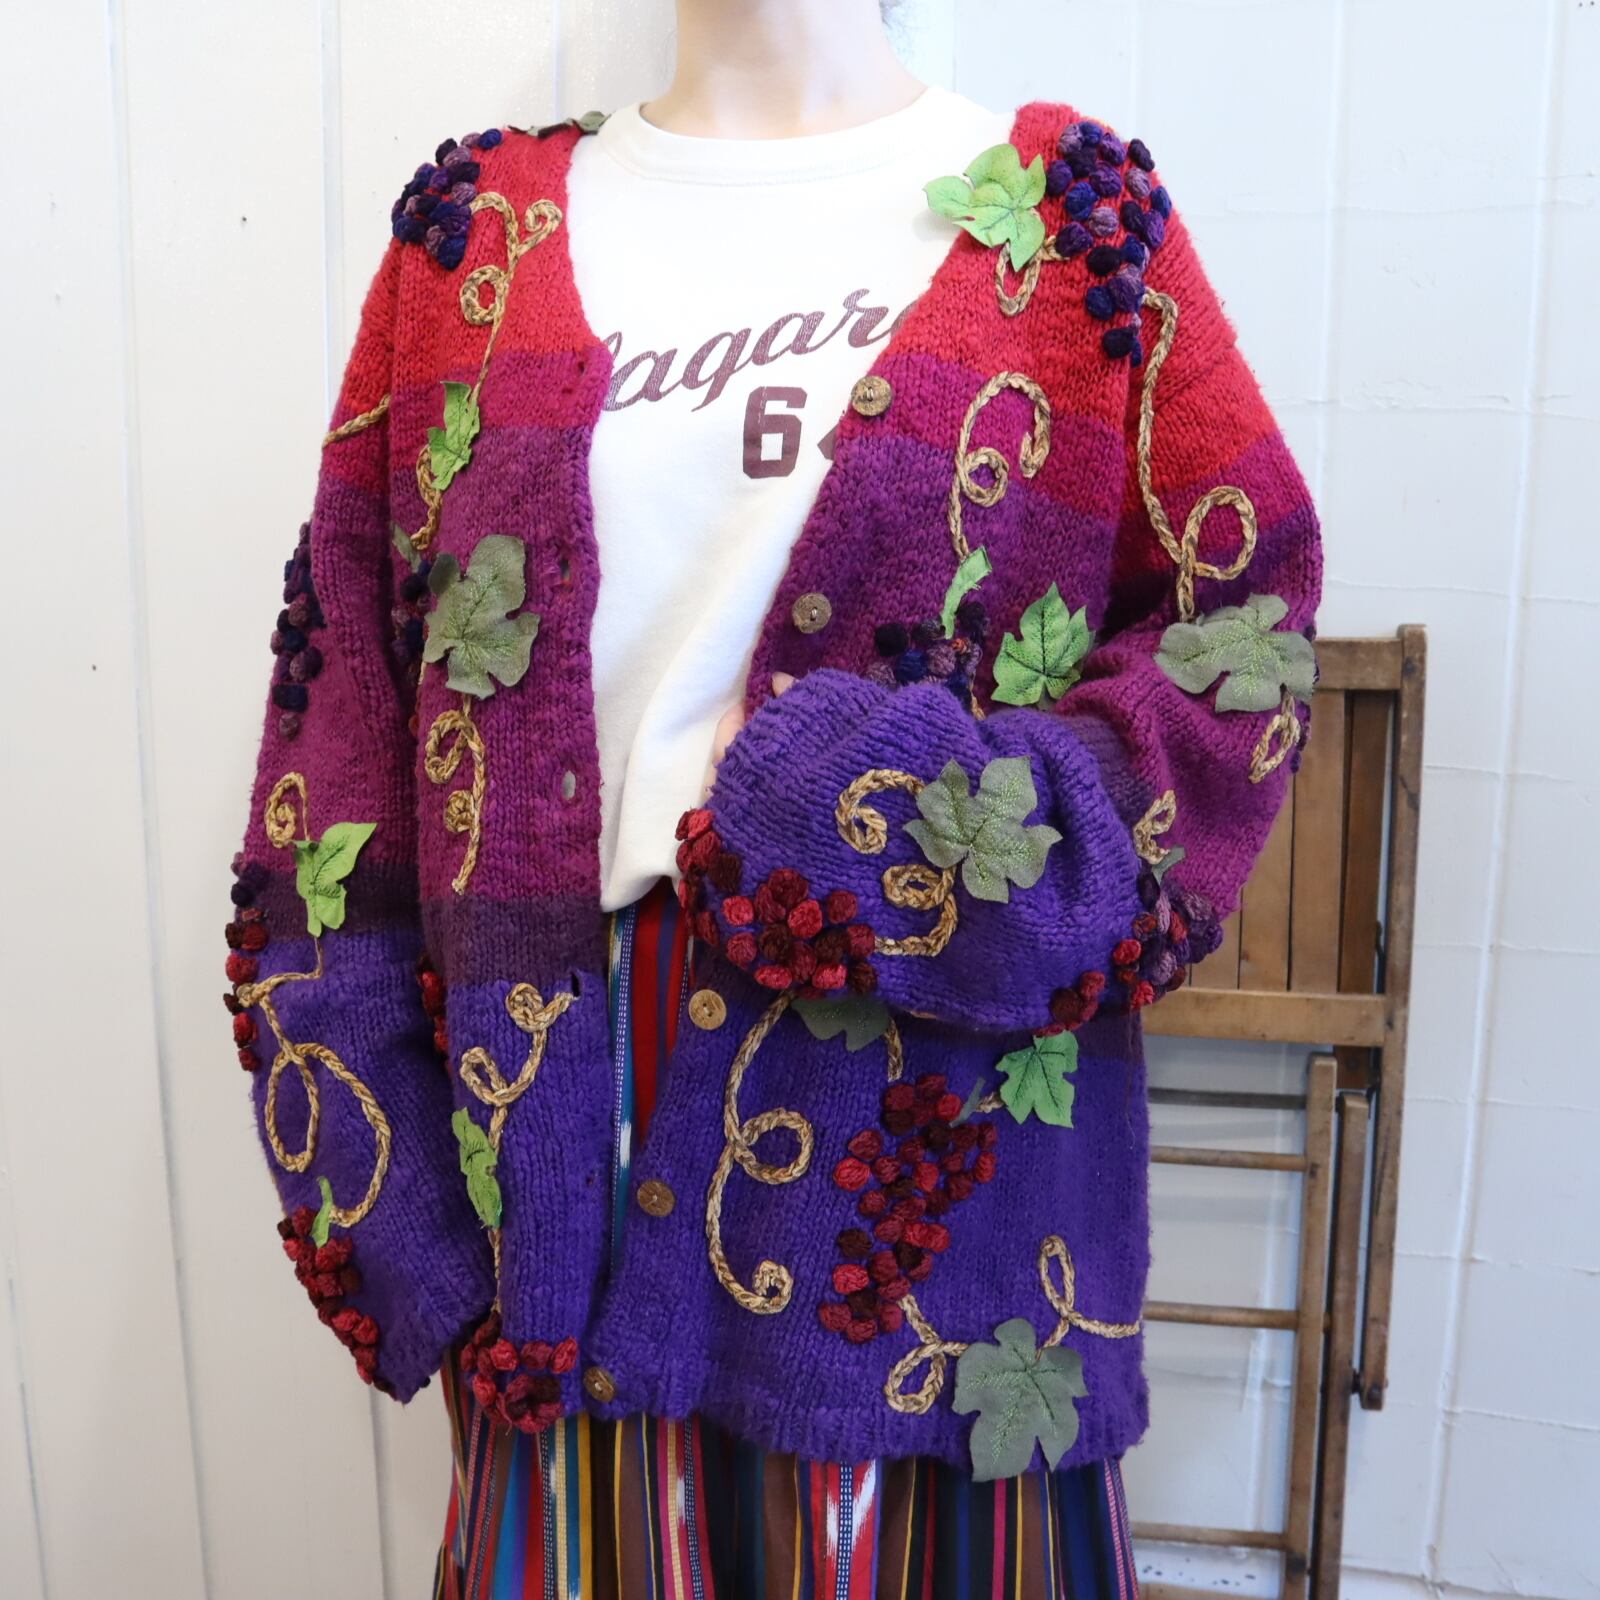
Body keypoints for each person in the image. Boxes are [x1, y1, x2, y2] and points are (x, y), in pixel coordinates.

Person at [223, 0, 1320, 1592]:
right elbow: (338, 725)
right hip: (561, 1148)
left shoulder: (1084, 235)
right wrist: (383, 1195)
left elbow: (1245, 645)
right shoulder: (469, 247)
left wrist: (901, 819)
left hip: (937, 1166)